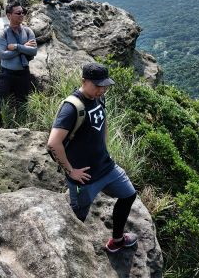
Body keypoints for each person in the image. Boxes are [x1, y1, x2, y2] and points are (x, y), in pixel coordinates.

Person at [47, 63, 138, 252]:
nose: (101, 89)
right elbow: (53, 143)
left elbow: (102, 122)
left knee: (129, 195)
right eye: (97, 85)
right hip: (85, 178)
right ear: (83, 81)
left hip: (106, 166)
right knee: (78, 217)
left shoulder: (98, 98)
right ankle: (69, 252)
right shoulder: (71, 108)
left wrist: (104, 148)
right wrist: (71, 172)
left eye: (104, 85)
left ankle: (117, 241)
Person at [0, 1, 37, 128]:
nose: (22, 15)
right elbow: (3, 55)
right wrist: (23, 48)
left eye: (23, 12)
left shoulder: (28, 31)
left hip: (23, 73)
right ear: (9, 16)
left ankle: (20, 127)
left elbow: (34, 51)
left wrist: (15, 47)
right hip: (6, 74)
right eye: (18, 13)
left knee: (23, 103)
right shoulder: (2, 34)